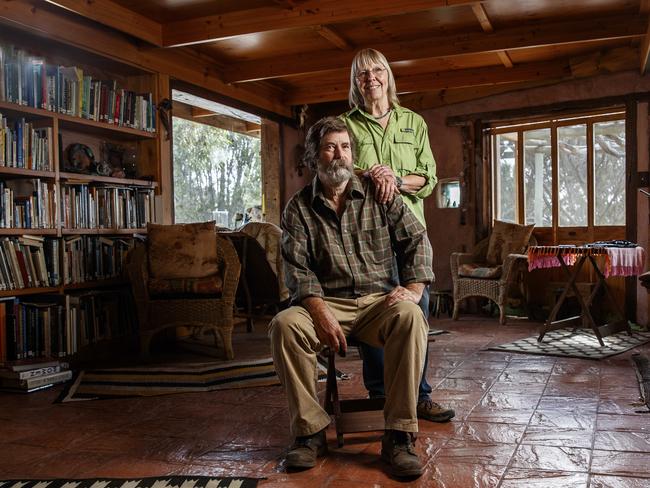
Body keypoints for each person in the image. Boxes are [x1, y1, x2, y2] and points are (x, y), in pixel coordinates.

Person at [269, 117, 432, 478]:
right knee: (284, 325)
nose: (338, 155)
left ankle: (399, 436)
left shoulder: (380, 193)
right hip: (325, 303)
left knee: (410, 316)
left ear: (352, 153)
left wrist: (415, 288)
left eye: (344, 147)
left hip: (379, 302)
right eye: (329, 147)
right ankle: (309, 433)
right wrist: (320, 312)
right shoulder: (298, 208)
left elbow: (416, 241)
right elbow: (297, 270)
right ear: (315, 156)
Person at [341, 48, 455, 423]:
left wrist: (396, 180)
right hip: (367, 235)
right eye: (362, 74)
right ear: (356, 83)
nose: (370, 78)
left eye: (377, 71)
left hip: (411, 234)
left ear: (388, 76)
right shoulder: (346, 125)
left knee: (416, 314)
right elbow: (339, 171)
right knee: (375, 309)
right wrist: (370, 173)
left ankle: (419, 395)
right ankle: (379, 394)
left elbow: (428, 177)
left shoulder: (413, 123)